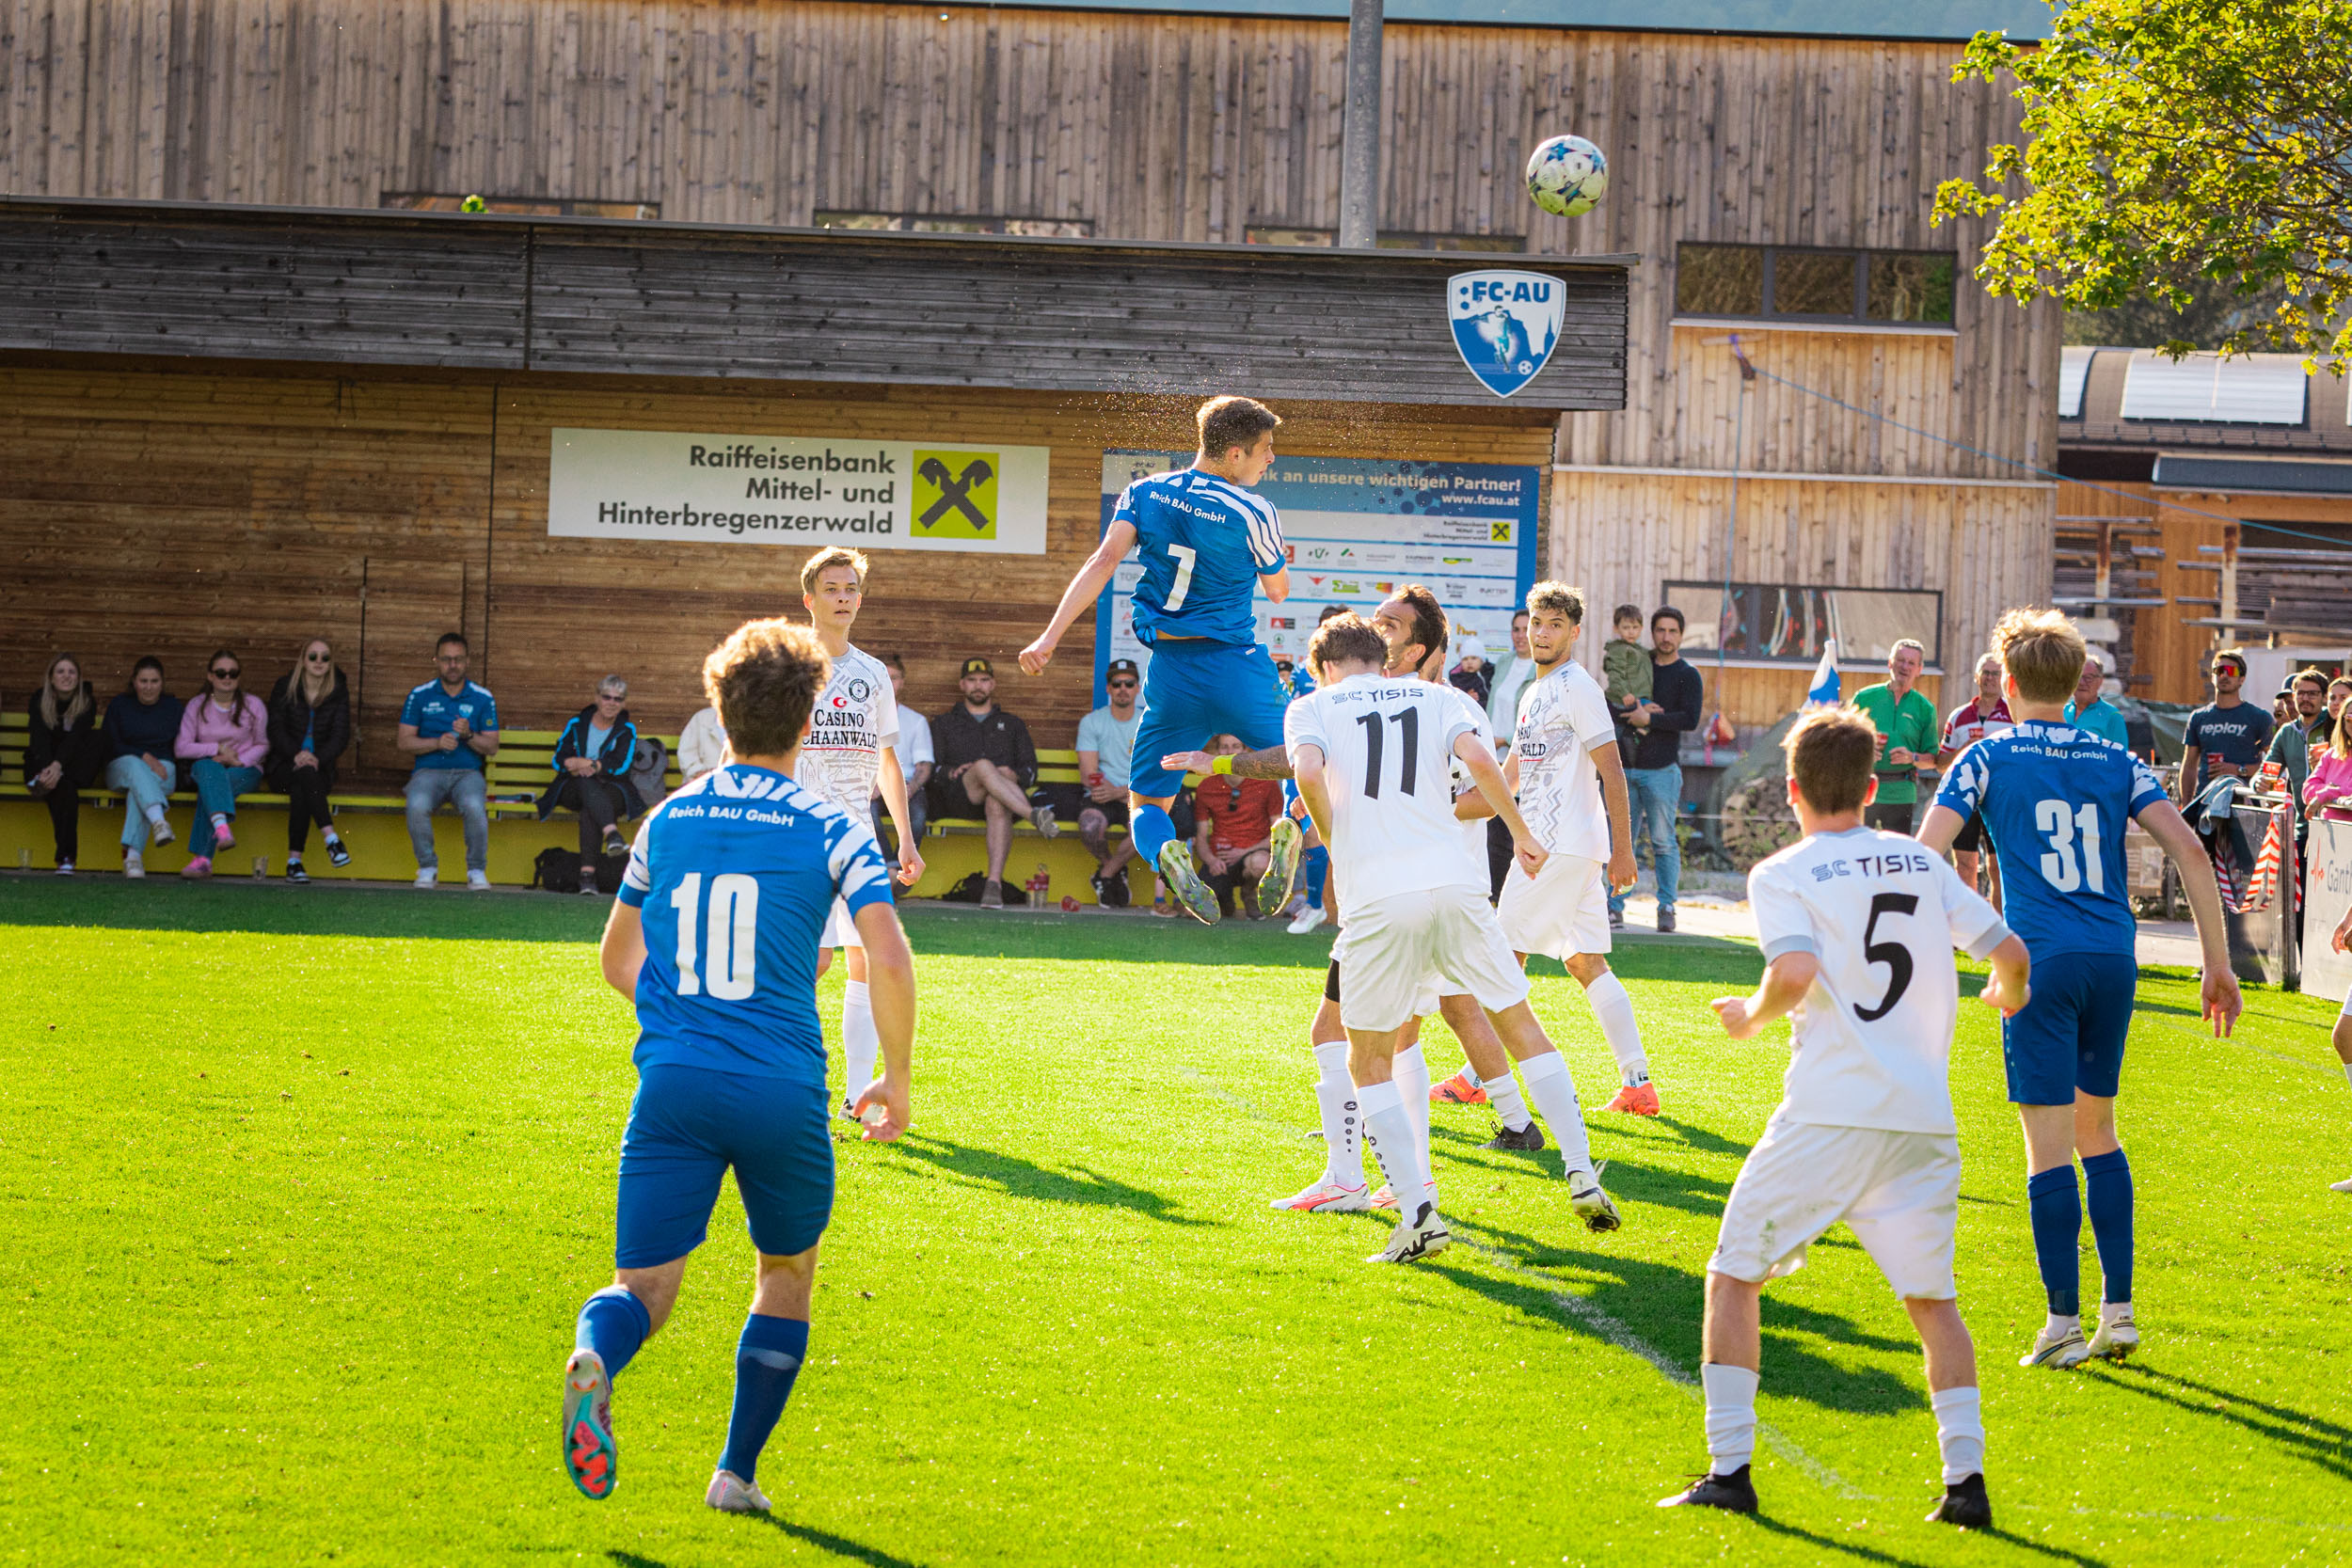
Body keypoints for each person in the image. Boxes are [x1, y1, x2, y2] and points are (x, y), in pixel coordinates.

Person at [562, 616, 914, 1515]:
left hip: (673, 1084)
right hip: (780, 1088)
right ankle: (735, 1473)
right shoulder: (833, 825)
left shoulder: (667, 819)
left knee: (643, 1286)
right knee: (785, 1270)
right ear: (810, 719)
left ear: (719, 714)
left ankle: (596, 1352)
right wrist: (897, 1075)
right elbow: (887, 953)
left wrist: (684, 1018)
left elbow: (617, 959)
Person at [1661, 706, 2025, 1525]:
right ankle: (1965, 1483)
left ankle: (1729, 1469)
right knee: (1933, 1303)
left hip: (1832, 1111)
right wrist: (2010, 992)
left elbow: (1792, 971)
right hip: (1922, 1117)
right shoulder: (1923, 861)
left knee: (1733, 1273)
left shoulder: (1782, 871)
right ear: (1870, 786)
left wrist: (1750, 1018)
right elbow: (2010, 953)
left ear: (1791, 789)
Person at [1923, 609, 2241, 1370]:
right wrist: (2217, 963)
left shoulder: (1984, 754)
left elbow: (1923, 857)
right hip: (2112, 957)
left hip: (2040, 961)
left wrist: (1974, 945)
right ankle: (2118, 1312)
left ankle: (2062, 1323)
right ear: (2074, 684)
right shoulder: (2116, 756)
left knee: (2047, 1146)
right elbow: (2191, 850)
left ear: (2006, 680)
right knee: (2100, 1130)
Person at [1284, 613, 1616, 1262]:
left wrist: (1333, 837)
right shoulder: (1436, 697)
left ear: (1324, 666)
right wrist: (1521, 833)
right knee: (1520, 1023)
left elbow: (1310, 776)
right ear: (1381, 658)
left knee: (1368, 1058)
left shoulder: (1312, 706)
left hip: (1381, 897)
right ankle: (1581, 1170)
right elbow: (1483, 761)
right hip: (1457, 885)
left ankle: (1417, 1214)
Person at [1019, 395, 1295, 926]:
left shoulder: (1144, 491)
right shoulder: (1255, 510)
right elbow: (1278, 591)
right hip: (1236, 666)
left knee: (1147, 804)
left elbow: (1104, 561)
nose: (1271, 458)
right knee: (1306, 762)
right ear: (1235, 454)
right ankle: (1290, 830)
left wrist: (1049, 638)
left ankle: (1167, 852)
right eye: (1265, 449)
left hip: (1172, 673)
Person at [1467, 582, 1656, 1117]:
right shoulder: (1534, 691)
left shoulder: (1578, 687)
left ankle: (1476, 1077)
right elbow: (1508, 780)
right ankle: (1638, 1083)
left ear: (1574, 633)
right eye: (1536, 623)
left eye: (1555, 625)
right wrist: (1444, 804)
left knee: (1503, 957)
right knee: (1586, 962)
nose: (1542, 633)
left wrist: (1624, 850)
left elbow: (1613, 772)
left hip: (1555, 848)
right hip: (1566, 849)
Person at [790, 547, 925, 1117]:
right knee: (811, 963)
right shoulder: (788, 668)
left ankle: (856, 1096)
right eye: (831, 589)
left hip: (859, 839)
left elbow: (888, 762)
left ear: (860, 600)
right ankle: (788, 1083)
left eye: (850, 589)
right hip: (799, 835)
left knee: (865, 960)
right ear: (809, 599)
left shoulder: (873, 675)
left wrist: (905, 840)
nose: (842, 597)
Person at [929, 656, 1053, 908]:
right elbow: (932, 768)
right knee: (984, 766)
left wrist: (1012, 775)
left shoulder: (1013, 724)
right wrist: (953, 772)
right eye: (972, 680)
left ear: (993, 684)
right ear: (962, 685)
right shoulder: (944, 723)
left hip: (1004, 802)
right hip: (962, 798)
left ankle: (993, 885)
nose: (978, 685)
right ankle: (1031, 814)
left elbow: (1031, 771)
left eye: (984, 680)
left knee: (996, 801)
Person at [1610, 607, 1704, 933]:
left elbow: (1689, 719)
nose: (1666, 637)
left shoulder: (1688, 674)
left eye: (1672, 631)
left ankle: (1666, 907)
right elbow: (1610, 704)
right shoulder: (1635, 662)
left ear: (1681, 635)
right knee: (1623, 843)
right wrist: (1634, 712)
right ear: (1652, 632)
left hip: (1661, 771)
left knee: (1663, 842)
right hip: (1625, 768)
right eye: (1661, 630)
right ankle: (1614, 906)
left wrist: (1650, 719)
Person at [399, 632, 500, 891]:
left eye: (458, 659)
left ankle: (476, 870)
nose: (452, 665)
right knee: (417, 804)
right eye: (446, 659)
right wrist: (436, 743)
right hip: (428, 772)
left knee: (475, 806)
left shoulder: (482, 696)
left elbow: (492, 747)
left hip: (467, 773)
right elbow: (404, 742)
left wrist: (468, 735)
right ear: (436, 660)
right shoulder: (419, 695)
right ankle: (427, 867)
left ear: (467, 661)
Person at [539, 675, 645, 895]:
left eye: (618, 699)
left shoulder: (626, 729)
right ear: (597, 698)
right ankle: (612, 834)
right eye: (607, 697)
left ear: (623, 703)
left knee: (592, 807)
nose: (611, 703)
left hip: (612, 787)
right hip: (573, 787)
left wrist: (592, 765)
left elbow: (621, 766)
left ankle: (587, 876)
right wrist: (573, 764)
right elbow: (558, 759)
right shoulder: (577, 724)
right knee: (585, 783)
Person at [173, 648, 269, 879]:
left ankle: (204, 858)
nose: (227, 678)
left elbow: (263, 744)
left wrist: (237, 760)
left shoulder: (253, 705)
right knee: (209, 770)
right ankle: (221, 829)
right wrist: (216, 749)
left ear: (239, 676)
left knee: (212, 786)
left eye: (233, 673)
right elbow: (182, 747)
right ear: (210, 676)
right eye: (221, 673)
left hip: (244, 770)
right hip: (209, 766)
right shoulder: (197, 705)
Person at [264, 638, 354, 882]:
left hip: (320, 768)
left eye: (325, 657)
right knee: (303, 777)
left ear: (331, 662)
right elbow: (275, 729)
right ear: (303, 660)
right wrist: (297, 754)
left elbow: (340, 735)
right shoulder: (285, 687)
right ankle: (331, 839)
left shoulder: (338, 691)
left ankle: (295, 863)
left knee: (303, 784)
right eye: (313, 656)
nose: (318, 662)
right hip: (283, 767)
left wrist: (316, 758)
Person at [1937, 654, 2014, 905]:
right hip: (1966, 798)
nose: (1990, 678)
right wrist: (1964, 750)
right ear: (1976, 677)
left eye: (1996, 673)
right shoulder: (1959, 716)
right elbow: (1941, 764)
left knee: (1997, 866)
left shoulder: (2013, 715)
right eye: (1986, 673)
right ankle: (1969, 923)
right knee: (1965, 865)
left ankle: (1997, 922)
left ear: (2003, 679)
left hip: (1999, 798)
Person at [1849, 639, 1939, 834]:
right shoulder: (1863, 698)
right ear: (1890, 663)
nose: (1905, 667)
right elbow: (1843, 744)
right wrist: (1863, 752)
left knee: (1897, 852)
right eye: (1900, 660)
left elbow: (1933, 760)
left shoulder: (1925, 708)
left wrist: (1912, 757)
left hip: (1901, 793)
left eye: (1911, 663)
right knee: (1859, 849)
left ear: (1919, 669)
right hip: (1863, 789)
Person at [23, 653, 102, 876]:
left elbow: (76, 739)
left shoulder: (86, 702)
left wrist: (57, 767)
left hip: (70, 765)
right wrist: (49, 768)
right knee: (65, 791)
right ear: (51, 677)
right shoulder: (39, 699)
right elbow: (38, 737)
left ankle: (45, 782)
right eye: (60, 671)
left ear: (78, 677)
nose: (66, 676)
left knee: (99, 739)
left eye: (71, 672)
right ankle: (66, 859)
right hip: (41, 763)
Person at [102, 657, 180, 878]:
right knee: (134, 764)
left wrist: (153, 762)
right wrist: (144, 756)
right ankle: (158, 821)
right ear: (134, 682)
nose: (148, 687)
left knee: (139, 791)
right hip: (121, 767)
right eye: (143, 681)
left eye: (154, 681)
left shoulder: (173, 707)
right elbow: (110, 744)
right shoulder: (120, 705)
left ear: (162, 683)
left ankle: (133, 858)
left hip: (162, 769)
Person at [1075, 657, 1143, 906]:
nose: (1123, 689)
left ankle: (1105, 874)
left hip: (1136, 795)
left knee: (1144, 830)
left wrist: (1120, 792)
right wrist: (1110, 791)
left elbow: (1152, 772)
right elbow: (1088, 774)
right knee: (1089, 826)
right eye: (1117, 684)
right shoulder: (1092, 721)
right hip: (1102, 794)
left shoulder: (1148, 723)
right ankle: (1114, 868)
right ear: (1108, 688)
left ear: (1138, 688)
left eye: (1129, 683)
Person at [1192, 734, 1282, 917]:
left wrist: (1243, 852)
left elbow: (1277, 832)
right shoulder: (1206, 787)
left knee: (1261, 863)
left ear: (1245, 750)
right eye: (1224, 747)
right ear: (1217, 751)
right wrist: (1211, 860)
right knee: (1199, 912)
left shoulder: (1266, 783)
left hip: (1253, 854)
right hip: (1220, 860)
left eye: (1235, 746)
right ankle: (1225, 900)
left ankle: (1250, 892)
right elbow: (1200, 837)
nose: (1230, 752)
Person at [2177, 648, 2271, 801]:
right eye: (2220, 671)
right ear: (2213, 677)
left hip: (2243, 803)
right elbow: (2189, 765)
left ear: (2242, 679)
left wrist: (2238, 769)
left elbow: (2273, 764)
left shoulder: (2259, 717)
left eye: (2231, 671)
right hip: (2206, 801)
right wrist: (2187, 806)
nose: (2225, 675)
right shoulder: (2198, 717)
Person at [873, 653, 931, 857]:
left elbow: (924, 765)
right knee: (867, 815)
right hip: (870, 786)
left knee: (918, 816)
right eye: (883, 678)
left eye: (894, 678)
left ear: (902, 682)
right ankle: (890, 867)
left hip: (906, 785)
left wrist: (911, 788)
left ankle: (901, 867)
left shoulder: (916, 720)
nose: (888, 684)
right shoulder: (858, 717)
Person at [2263, 667, 2327, 802]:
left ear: (2324, 697)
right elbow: (2268, 771)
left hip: (2334, 812)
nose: (2305, 698)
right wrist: (2260, 782)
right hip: (2300, 814)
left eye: (2312, 694)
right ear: (2294, 696)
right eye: (2300, 693)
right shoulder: (2287, 732)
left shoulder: (2336, 725)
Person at [1602, 604, 1655, 737]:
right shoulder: (1619, 650)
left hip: (1637, 697)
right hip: (1623, 699)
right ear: (1616, 628)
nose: (1631, 632)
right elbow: (1615, 674)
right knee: (1655, 711)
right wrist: (1624, 693)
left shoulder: (1639, 650)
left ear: (1641, 628)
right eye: (1626, 628)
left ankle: (1636, 735)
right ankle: (1636, 735)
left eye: (1635, 627)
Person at [2060, 648, 2129, 750]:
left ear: (2100, 681)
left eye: (2088, 678)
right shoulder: (2062, 712)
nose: (2082, 683)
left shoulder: (2112, 716)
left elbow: (2120, 755)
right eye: (2078, 677)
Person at [677, 703, 726, 785]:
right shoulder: (702, 717)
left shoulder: (747, 719)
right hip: (701, 783)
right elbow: (685, 752)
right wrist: (698, 772)